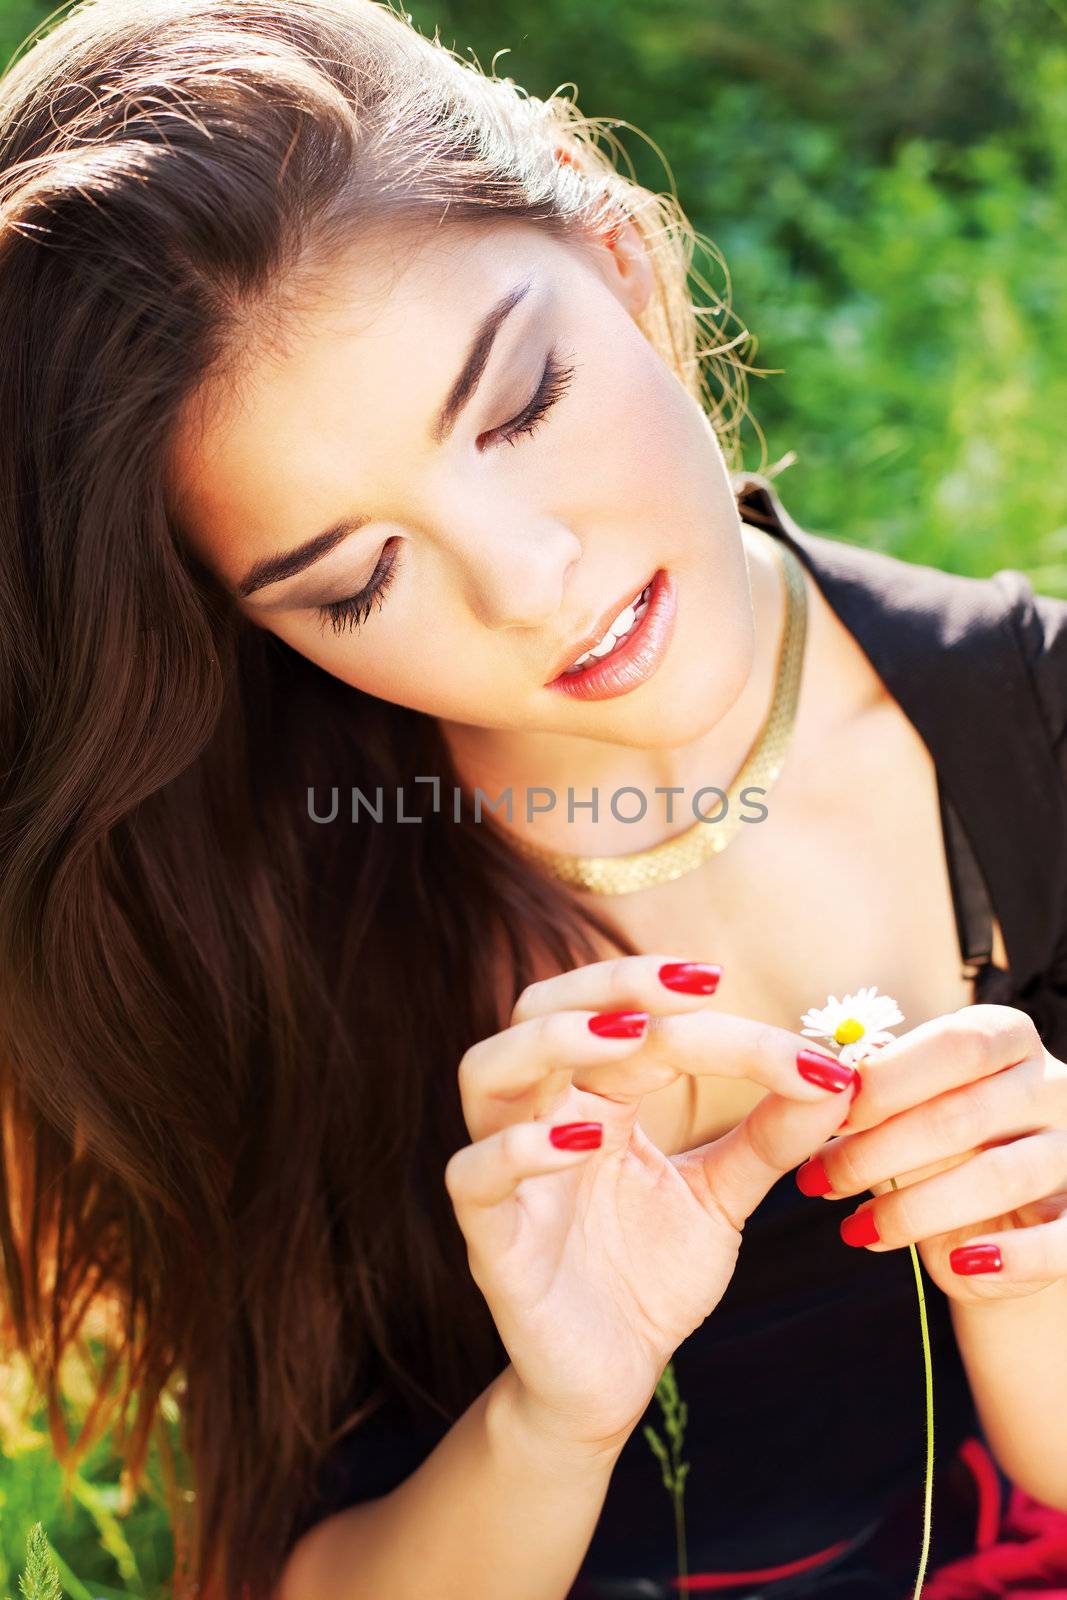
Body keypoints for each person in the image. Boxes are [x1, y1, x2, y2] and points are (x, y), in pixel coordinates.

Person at [0, 3, 1065, 1599]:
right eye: (357, 581)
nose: (530, 583)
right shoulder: (272, 920)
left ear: (618, 248)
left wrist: (1035, 1267)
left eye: (521, 404)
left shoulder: (1032, 734)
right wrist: (556, 1412)